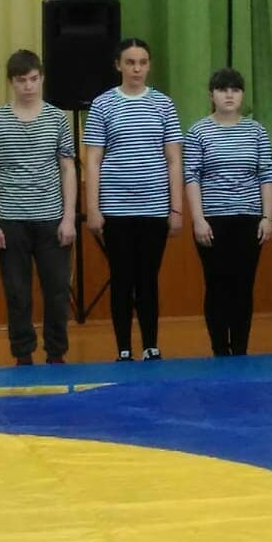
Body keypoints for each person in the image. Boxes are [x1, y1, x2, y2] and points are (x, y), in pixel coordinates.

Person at [84, 38, 183, 361]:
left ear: (149, 65)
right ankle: (124, 348)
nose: (136, 68)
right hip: (116, 209)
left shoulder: (163, 105)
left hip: (154, 208)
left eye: (142, 62)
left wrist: (176, 208)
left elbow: (173, 159)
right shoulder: (102, 105)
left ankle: (151, 345)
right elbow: (93, 159)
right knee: (122, 279)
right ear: (118, 65)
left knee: (148, 279)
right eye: (130, 62)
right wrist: (93, 208)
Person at [0, 50, 76, 365]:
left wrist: (69, 218)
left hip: (52, 219)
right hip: (10, 220)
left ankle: (56, 353)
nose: (28, 86)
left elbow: (68, 168)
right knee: (17, 293)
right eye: (21, 80)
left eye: (34, 79)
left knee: (57, 291)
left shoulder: (57, 118)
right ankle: (23, 354)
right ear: (11, 82)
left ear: (42, 78)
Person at [184, 68, 272, 356]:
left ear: (242, 95)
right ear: (211, 95)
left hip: (249, 220)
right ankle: (220, 351)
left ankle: (240, 350)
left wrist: (267, 217)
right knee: (216, 285)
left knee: (243, 286)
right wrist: (198, 219)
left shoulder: (256, 131)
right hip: (212, 221)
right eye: (222, 90)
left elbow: (266, 175)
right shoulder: (198, 131)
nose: (229, 95)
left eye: (235, 90)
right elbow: (192, 177)